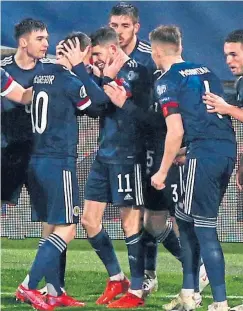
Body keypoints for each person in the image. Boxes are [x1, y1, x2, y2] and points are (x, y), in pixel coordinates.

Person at [105, 25, 237, 311]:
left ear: (155, 51)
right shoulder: (206, 71)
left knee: (203, 228)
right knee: (185, 221)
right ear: (180, 46)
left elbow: (174, 131)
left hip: (203, 155)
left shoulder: (167, 80)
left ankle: (221, 303)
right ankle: (188, 293)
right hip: (223, 150)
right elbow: (212, 117)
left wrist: (162, 171)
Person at [14, 32, 108, 311]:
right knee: (68, 227)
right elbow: (99, 105)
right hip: (58, 162)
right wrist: (81, 68)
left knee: (51, 227)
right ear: (79, 52)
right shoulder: (69, 81)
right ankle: (29, 285)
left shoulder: (39, 75)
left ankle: (54, 292)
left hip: (36, 161)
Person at [62, 26, 150, 308]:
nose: (96, 60)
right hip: (103, 155)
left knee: (130, 223)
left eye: (97, 54)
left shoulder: (137, 72)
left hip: (128, 156)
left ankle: (136, 291)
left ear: (113, 50)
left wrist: (85, 72)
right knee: (88, 220)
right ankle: (117, 278)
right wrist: (88, 75)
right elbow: (92, 105)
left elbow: (110, 108)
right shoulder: (103, 75)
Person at [108, 2, 188, 296]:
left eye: (124, 26)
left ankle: (191, 266)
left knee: (155, 216)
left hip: (155, 146)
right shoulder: (106, 53)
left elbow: (177, 97)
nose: (118, 32)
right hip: (125, 146)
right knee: (141, 217)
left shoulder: (151, 57)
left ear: (136, 27)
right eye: (114, 26)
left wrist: (180, 143)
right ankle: (150, 276)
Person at [0, 18, 68, 295]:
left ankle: (54, 289)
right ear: (23, 41)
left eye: (47, 38)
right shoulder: (4, 71)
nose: (46, 43)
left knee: (54, 219)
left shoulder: (51, 69)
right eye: (40, 38)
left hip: (42, 154)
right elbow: (25, 97)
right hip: (9, 151)